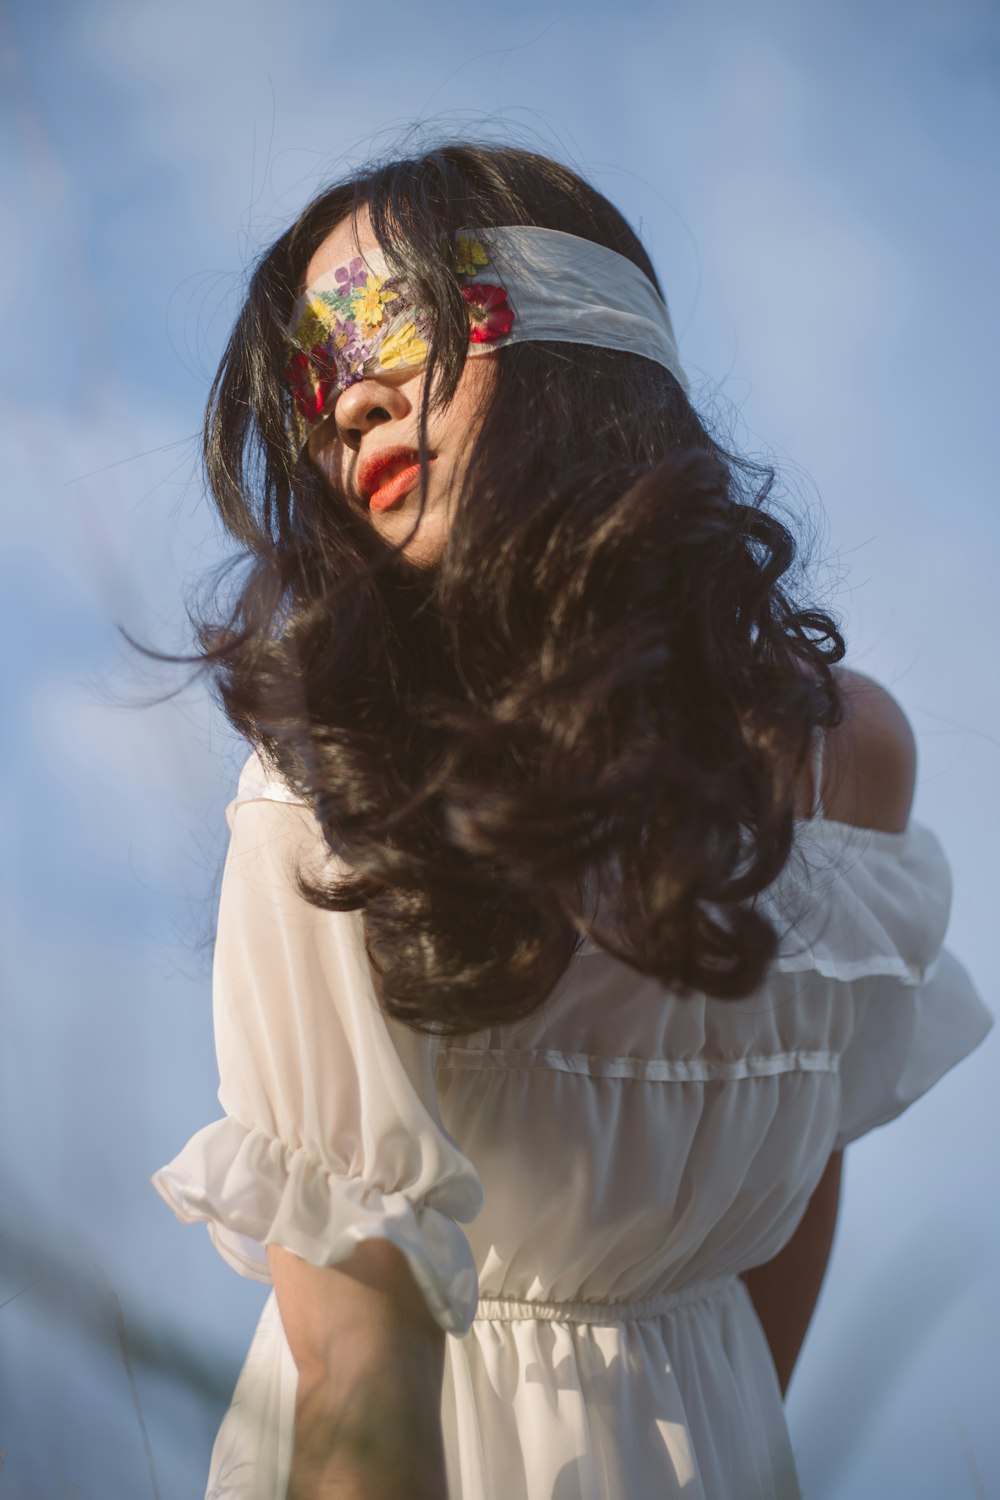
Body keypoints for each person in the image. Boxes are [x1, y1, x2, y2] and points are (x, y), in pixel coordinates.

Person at [150, 141, 993, 1499]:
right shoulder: (332, 770)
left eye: (392, 323)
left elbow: (786, 1195)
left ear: (583, 340)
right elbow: (357, 1352)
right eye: (314, 375)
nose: (349, 396)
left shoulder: (848, 763)